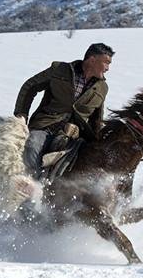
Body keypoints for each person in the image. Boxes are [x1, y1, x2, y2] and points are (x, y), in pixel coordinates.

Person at [14, 42, 113, 178]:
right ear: (92, 59)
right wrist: (21, 115)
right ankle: (32, 186)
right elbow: (30, 86)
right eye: (106, 63)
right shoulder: (59, 69)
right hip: (46, 126)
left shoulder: (102, 88)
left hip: (75, 135)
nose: (108, 68)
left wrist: (97, 139)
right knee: (32, 146)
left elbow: (97, 118)